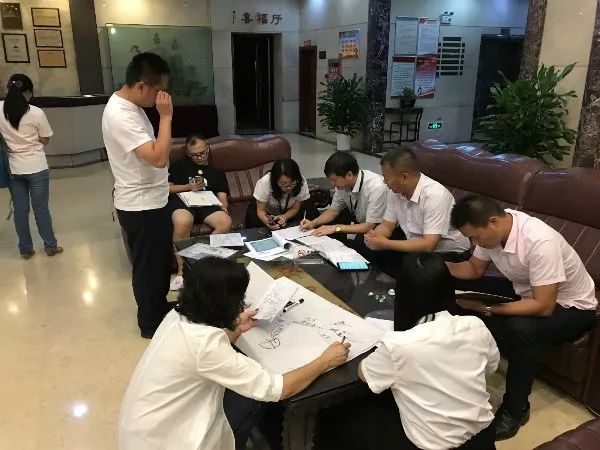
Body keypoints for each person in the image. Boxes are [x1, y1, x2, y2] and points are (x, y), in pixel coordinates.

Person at [118, 256, 351, 450]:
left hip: (142, 425)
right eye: (239, 300)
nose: (242, 305)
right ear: (222, 304)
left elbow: (206, 351)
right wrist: (325, 361)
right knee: (255, 398)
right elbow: (278, 388)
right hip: (168, 440)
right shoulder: (205, 345)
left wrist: (236, 328)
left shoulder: (178, 313)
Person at [447, 195, 598, 440]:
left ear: (493, 222)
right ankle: (453, 363)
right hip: (526, 290)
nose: (474, 243)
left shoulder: (539, 241)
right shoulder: (491, 233)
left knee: (521, 328)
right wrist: (439, 268)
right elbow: (474, 269)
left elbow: (543, 306)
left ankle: (516, 409)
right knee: (451, 286)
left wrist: (486, 308)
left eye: (475, 237)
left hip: (571, 307)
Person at [316, 253, 498, 450]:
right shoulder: (476, 325)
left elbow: (364, 374)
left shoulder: (399, 345)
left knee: (340, 413)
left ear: (403, 294)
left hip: (434, 445)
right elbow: (491, 367)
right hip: (483, 437)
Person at [102, 52, 173, 339]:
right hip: (140, 205)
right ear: (142, 86)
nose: (162, 96)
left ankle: (159, 309)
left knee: (159, 264)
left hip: (153, 199)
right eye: (159, 90)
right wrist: (166, 116)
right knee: (147, 268)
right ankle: (150, 324)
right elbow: (158, 157)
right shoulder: (120, 115)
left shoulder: (133, 107)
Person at [355, 149, 470, 278]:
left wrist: (385, 244)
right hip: (413, 240)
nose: (384, 182)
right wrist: (375, 236)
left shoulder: (435, 195)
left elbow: (429, 245)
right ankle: (378, 282)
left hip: (447, 252)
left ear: (404, 177)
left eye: (386, 177)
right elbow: (387, 226)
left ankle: (396, 284)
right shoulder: (395, 191)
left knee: (412, 263)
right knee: (362, 241)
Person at [0, 74, 62, 258]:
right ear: (27, 92)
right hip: (36, 167)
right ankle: (50, 247)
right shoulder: (35, 112)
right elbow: (45, 139)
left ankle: (26, 250)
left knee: (20, 210)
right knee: (41, 209)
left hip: (14, 168)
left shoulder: (0, 109)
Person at [167, 133, 231, 291]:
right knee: (182, 221)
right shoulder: (178, 166)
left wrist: (223, 207)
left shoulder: (216, 172)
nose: (200, 157)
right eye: (195, 155)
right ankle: (182, 271)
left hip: (206, 203)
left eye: (203, 153)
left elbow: (222, 197)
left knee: (225, 222)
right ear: (187, 153)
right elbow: (167, 188)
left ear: (208, 148)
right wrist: (188, 187)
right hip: (183, 201)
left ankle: (201, 260)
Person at [300, 152, 387, 244]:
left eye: (334, 180)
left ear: (349, 175)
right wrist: (313, 223)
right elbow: (333, 211)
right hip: (360, 219)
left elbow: (369, 226)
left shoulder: (376, 187)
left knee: (361, 242)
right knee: (329, 223)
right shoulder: (342, 185)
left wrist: (336, 228)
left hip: (377, 229)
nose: (332, 184)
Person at [246, 158, 317, 230]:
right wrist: (268, 222)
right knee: (253, 216)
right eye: (283, 184)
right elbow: (261, 210)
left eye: (292, 182)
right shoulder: (265, 182)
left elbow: (295, 208)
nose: (289, 188)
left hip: (290, 213)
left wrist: (284, 217)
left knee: (309, 208)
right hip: (267, 213)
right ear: (275, 181)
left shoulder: (301, 182)